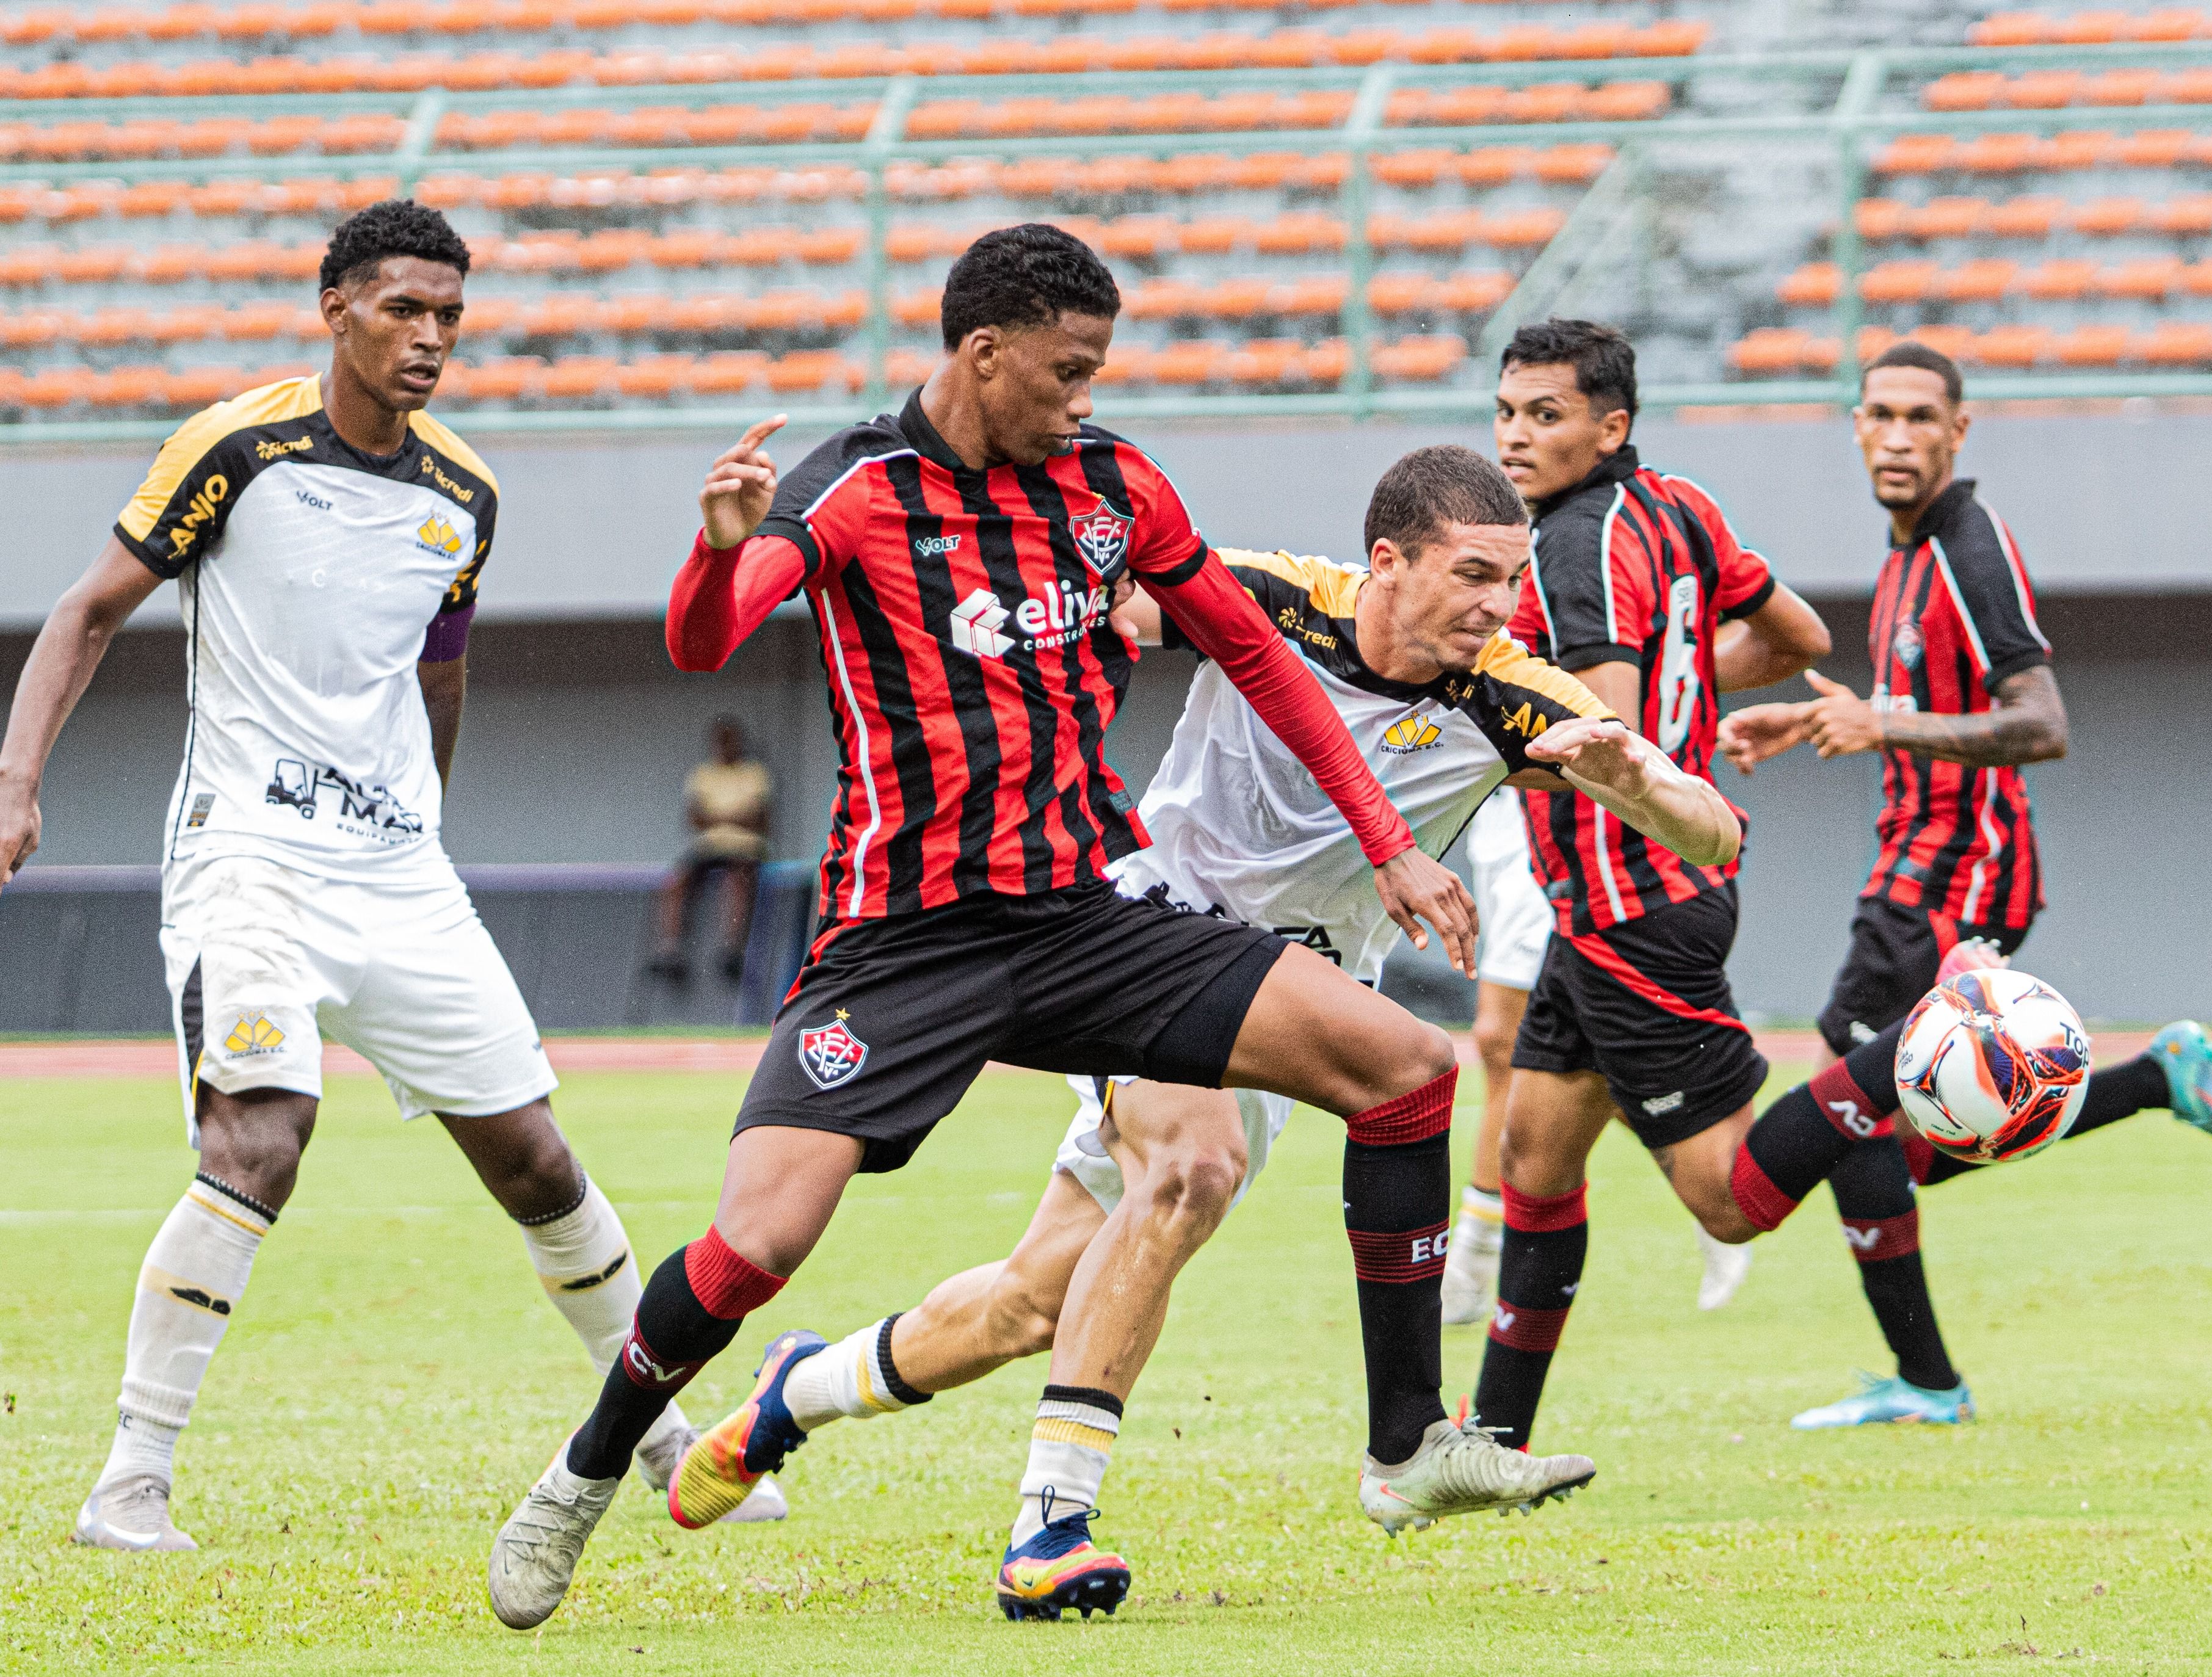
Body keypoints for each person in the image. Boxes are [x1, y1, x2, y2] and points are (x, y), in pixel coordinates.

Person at [485, 227, 1573, 1631]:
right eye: (1067, 371)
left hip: (1089, 913)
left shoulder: (1112, 485)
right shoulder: (856, 489)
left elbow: (1251, 650)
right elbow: (704, 641)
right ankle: (577, 1479)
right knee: (758, 1241)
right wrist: (712, 556)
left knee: (1406, 1069)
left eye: (1096, 371)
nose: (1085, 396)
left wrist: (1385, 844)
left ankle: (1401, 1441)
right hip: (901, 941)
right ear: (982, 353)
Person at [662, 445, 1735, 1620]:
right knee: (1190, 1169)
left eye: (1511, 580)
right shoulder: (1267, 596)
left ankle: (793, 1393)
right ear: (1387, 561)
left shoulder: (1510, 692)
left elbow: (1713, 836)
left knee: (1031, 1302)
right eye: (1474, 574)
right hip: (1140, 943)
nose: (1499, 606)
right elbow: (1095, 614)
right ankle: (1052, 1526)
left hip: (1290, 1014)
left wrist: (1639, 778)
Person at [0, 200, 779, 1552]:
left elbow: (440, 668)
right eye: (404, 310)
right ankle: (130, 1477)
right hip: (247, 854)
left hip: (398, 873)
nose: (429, 339)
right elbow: (84, 609)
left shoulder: (463, 494)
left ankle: (654, 1430)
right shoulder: (236, 446)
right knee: (261, 1130)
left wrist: (421, 825)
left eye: (450, 318)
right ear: (337, 308)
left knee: (537, 1160)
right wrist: (15, 778)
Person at [1715, 342, 2212, 1429]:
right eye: (1878, 413)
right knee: (1895, 1134)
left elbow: (2040, 723)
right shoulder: (1906, 555)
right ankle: (2158, 1078)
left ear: (1956, 432)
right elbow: (1923, 701)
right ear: (1856, 424)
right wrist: (1819, 720)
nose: (1896, 435)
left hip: (1953, 879)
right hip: (1913, 867)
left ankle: (1929, 1381)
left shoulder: (1969, 547)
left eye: (1921, 416)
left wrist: (1883, 721)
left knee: (1859, 1124)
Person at [1467, 319, 1835, 1448]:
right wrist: (1686, 689)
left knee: (1725, 1197)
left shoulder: (1573, 543)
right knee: (1532, 1151)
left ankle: (1909, 1062)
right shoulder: (1679, 505)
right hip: (1605, 903)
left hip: (1636, 900)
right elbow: (1797, 636)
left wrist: (1443, 733)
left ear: (1608, 425)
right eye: (1507, 411)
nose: (1518, 437)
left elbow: (1598, 731)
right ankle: (1490, 1445)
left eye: (1547, 415)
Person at [1440, 786, 1546, 1325]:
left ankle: (1471, 1262)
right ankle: (1703, 1165)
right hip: (1497, 804)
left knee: (1504, 1040)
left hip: (1556, 803)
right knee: (1568, 1057)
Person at [647, 715, 771, 983]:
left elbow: (760, 820)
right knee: (677, 882)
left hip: (744, 849)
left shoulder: (754, 772)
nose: (725, 745)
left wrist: (716, 816)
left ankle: (731, 952)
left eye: (730, 740)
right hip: (709, 848)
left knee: (736, 882)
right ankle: (670, 951)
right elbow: (694, 819)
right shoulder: (703, 774)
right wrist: (736, 816)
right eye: (720, 740)